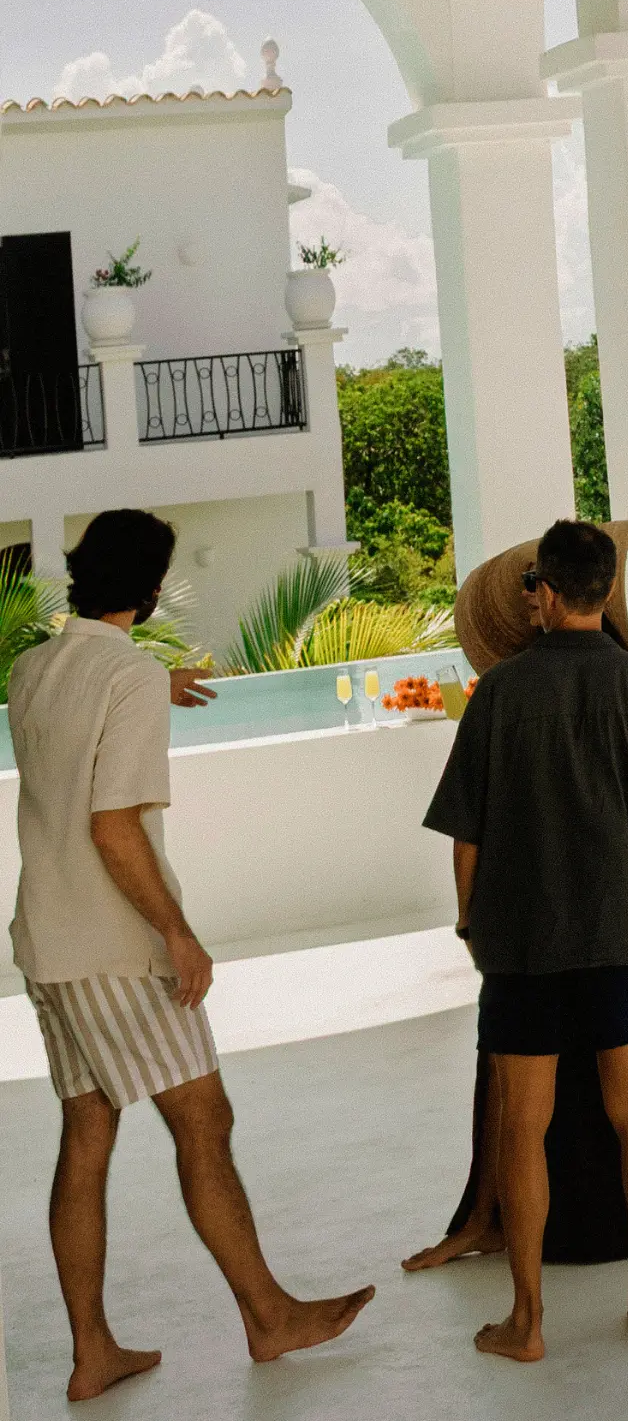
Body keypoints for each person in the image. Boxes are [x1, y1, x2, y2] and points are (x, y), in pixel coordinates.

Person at [9, 510, 373, 1403]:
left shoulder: (34, 666)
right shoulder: (124, 677)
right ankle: (268, 1315)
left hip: (45, 943)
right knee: (203, 1123)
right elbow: (112, 826)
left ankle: (94, 1351)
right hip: (115, 950)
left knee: (87, 1135)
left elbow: (77, 718)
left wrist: (149, 682)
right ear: (148, 589)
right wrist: (177, 931)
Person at [423, 519, 628, 1361]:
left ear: (543, 594)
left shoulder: (501, 697)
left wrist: (471, 923)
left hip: (524, 946)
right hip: (626, 933)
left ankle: (528, 1322)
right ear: (605, 594)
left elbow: (466, 832)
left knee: (525, 1124)